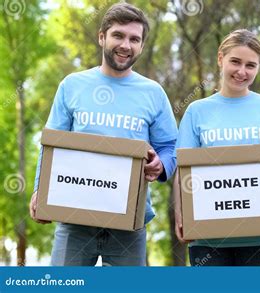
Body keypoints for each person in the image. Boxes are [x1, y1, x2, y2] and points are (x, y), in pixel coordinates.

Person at [29, 3, 178, 266]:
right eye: (118, 35)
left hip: (130, 222)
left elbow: (170, 146)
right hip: (74, 219)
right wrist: (40, 190)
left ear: (141, 46)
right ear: (102, 37)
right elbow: (51, 145)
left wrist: (161, 164)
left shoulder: (153, 92)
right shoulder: (72, 85)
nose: (126, 45)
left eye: (134, 39)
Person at [173, 29, 260, 266]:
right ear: (221, 58)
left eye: (250, 65)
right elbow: (183, 168)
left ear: (258, 67)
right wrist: (180, 213)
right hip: (208, 240)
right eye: (235, 62)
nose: (242, 71)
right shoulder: (197, 111)